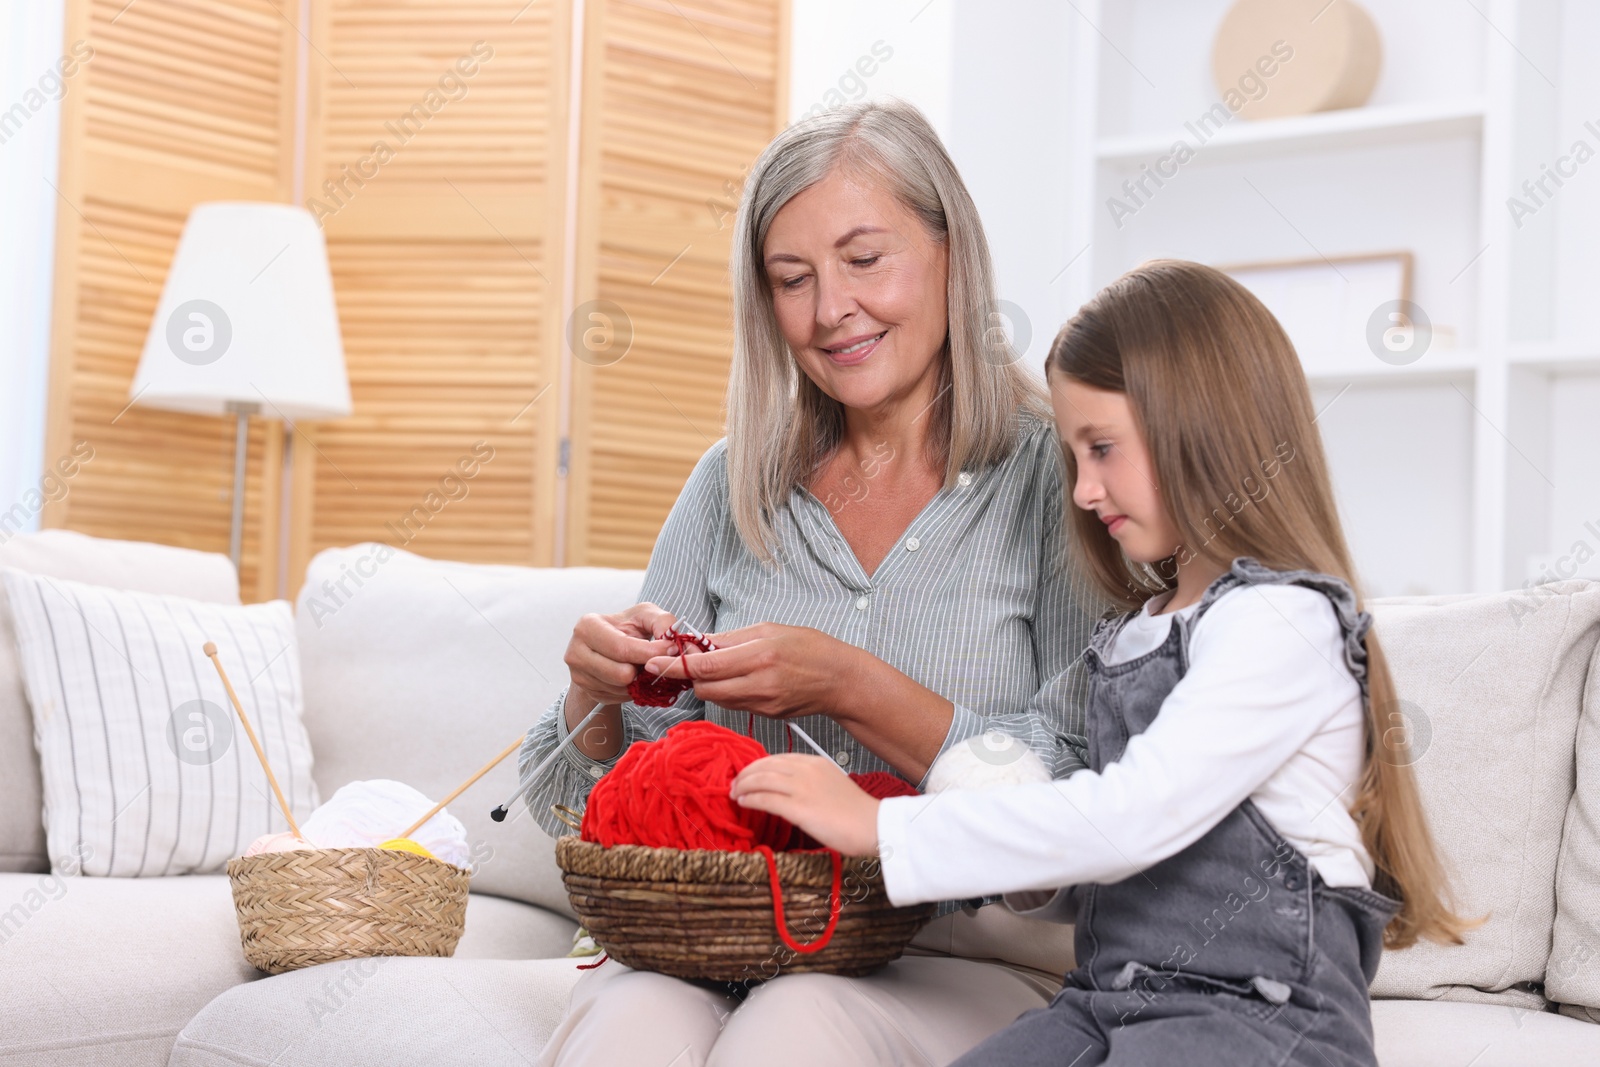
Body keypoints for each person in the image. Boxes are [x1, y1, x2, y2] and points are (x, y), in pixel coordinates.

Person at [732, 259, 1475, 1066]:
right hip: (1110, 1001)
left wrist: (879, 824)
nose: (1084, 490)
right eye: (1073, 455)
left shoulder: (1280, 624)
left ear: (1204, 429)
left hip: (1259, 1020)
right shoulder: (1133, 637)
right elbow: (1122, 873)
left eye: (1104, 449)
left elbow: (1132, 817)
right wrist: (1035, 881)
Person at [519, 99, 1103, 1066]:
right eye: (793, 279)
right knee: (630, 1028)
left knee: (794, 1029)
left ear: (952, 250)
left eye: (865, 260)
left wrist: (851, 685)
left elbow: (1086, 778)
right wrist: (597, 692)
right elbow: (595, 809)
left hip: (959, 951)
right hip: (718, 939)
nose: (831, 309)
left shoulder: (1057, 478)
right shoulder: (732, 481)